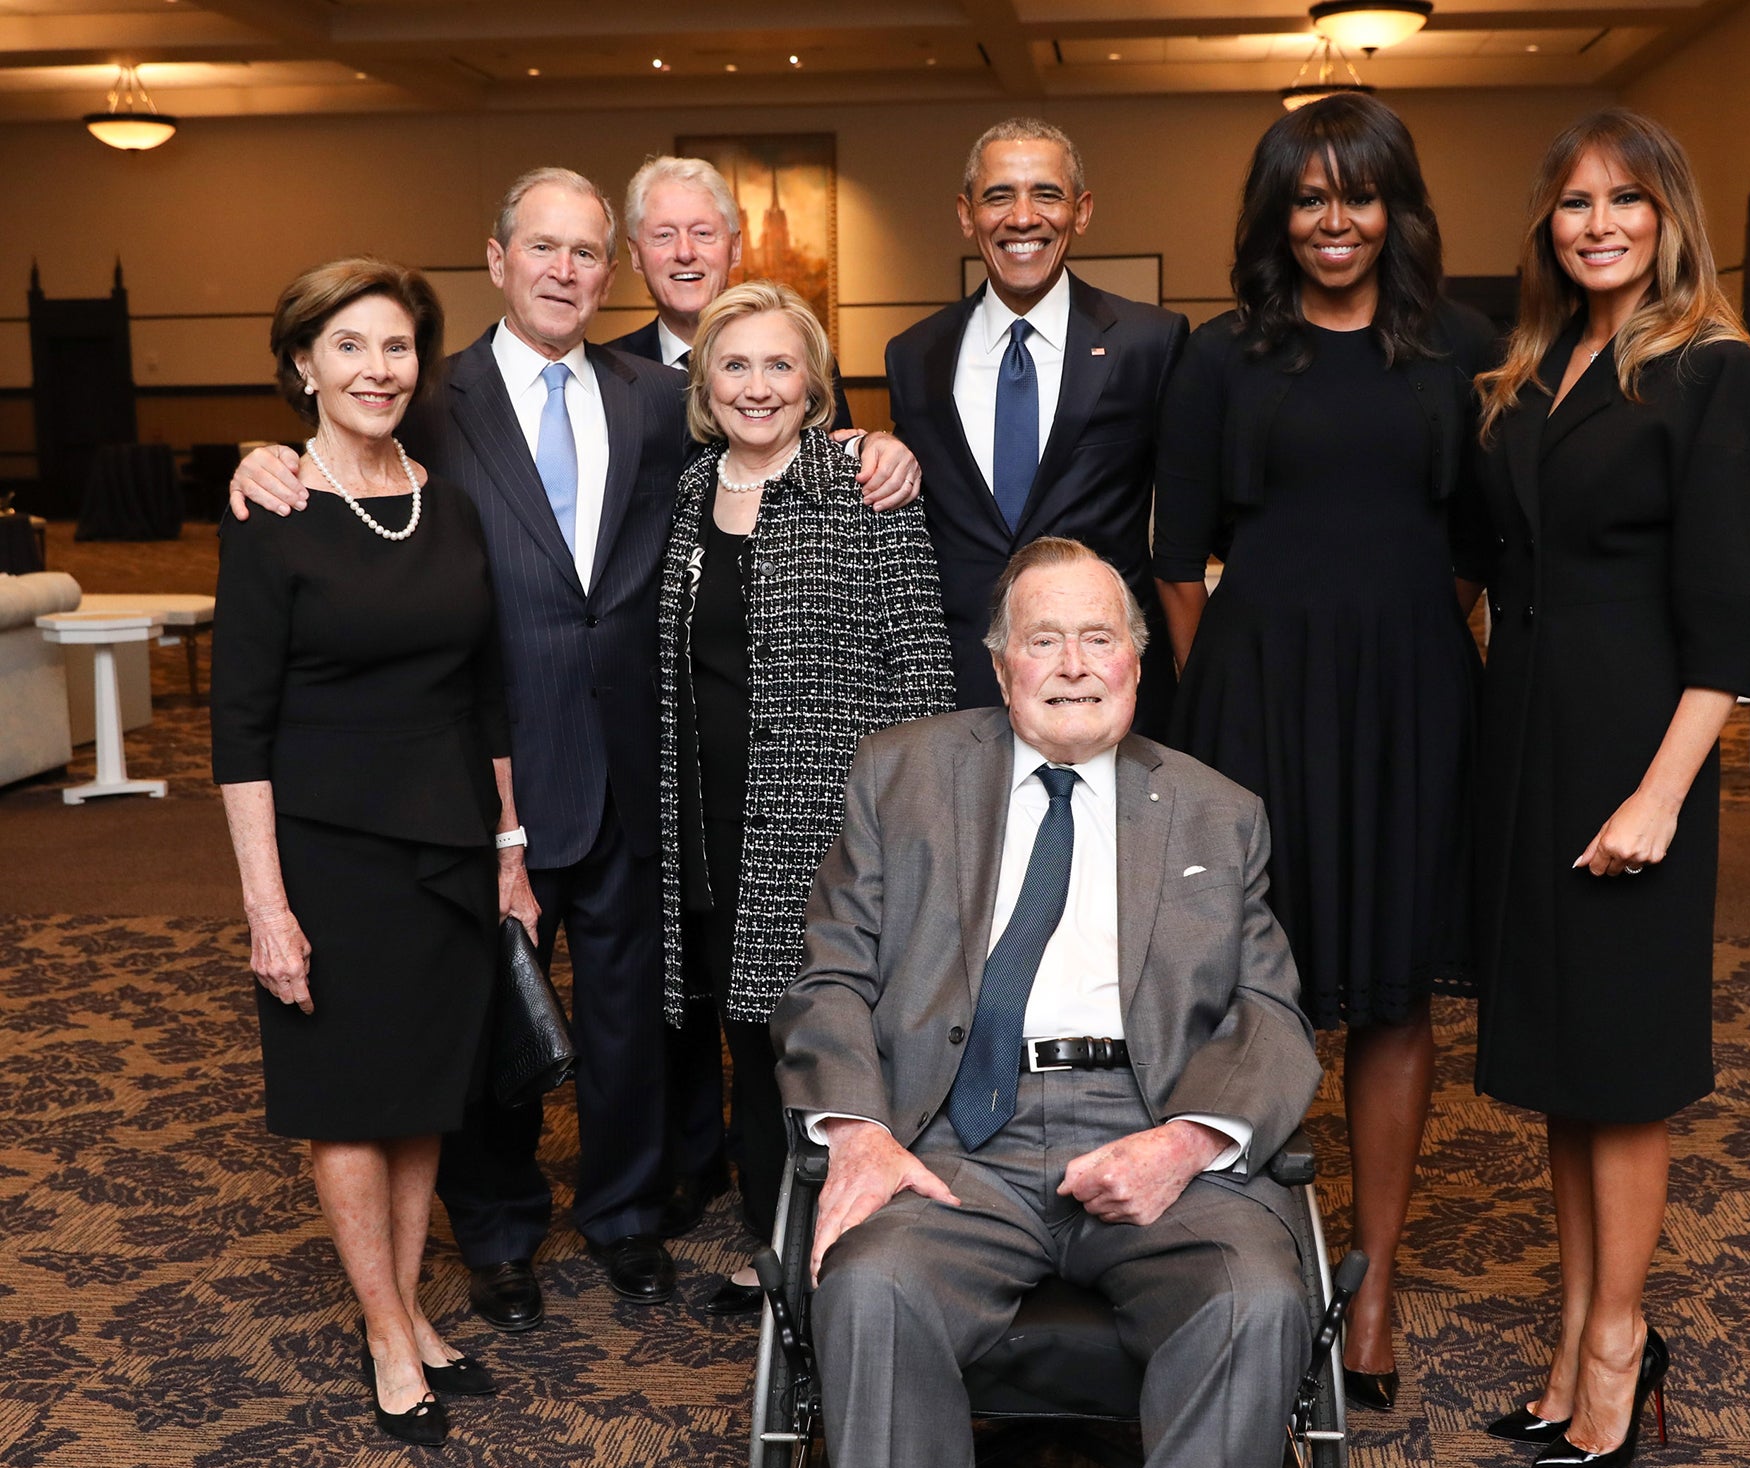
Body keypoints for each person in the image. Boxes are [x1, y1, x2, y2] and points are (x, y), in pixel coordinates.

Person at [225, 166, 916, 1330]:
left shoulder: (659, 394)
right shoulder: (428, 395)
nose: (562, 271)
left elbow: (761, 451)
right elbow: (338, 436)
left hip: (642, 760)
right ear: (494, 260)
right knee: (484, 1008)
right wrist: (264, 453)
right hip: (474, 768)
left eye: (586, 253)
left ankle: (626, 1214)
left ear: (614, 272)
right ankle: (495, 1233)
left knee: (630, 1011)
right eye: (539, 248)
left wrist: (871, 445)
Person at [772, 538, 1325, 1468]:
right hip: (953, 1140)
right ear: (1000, 667)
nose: (1073, 664)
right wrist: (855, 1132)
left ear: (1134, 660)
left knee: (1255, 1300)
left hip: (1152, 1131)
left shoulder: (1216, 811)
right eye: (1044, 641)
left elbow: (1270, 1014)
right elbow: (831, 979)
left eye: (1097, 639)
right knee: (870, 1290)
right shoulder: (900, 776)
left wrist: (1189, 1142)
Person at [1466, 109, 1750, 1468]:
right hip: (1530, 743)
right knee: (1561, 1067)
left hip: (1634, 749)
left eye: (1626, 200)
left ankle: (1620, 1343)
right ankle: (1573, 1338)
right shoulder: (1538, 368)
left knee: (1624, 1071)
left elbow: (1736, 613)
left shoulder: (1713, 373)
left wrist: (1664, 792)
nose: (1597, 223)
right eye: (1573, 203)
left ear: (1671, 217)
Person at [1152, 92, 1494, 1415]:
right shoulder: (1226, 353)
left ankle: (1378, 1283)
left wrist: (1403, 654)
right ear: (1275, 213)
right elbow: (1178, 557)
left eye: (1359, 196)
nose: (1334, 222)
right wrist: (1228, 701)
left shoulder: (1461, 346)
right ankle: (1255, 1269)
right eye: (1309, 197)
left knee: (1396, 997)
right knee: (1254, 994)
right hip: (1254, 703)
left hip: (1413, 697)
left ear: (1397, 208)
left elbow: (1477, 548)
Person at [213, 257, 536, 1446]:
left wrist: (507, 847)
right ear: (303, 363)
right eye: (348, 346)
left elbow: (485, 694)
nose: (376, 369)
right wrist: (265, 905)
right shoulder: (271, 508)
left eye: (395, 348)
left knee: (421, 1097)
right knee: (350, 1101)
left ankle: (405, 1306)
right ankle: (387, 1331)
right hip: (329, 851)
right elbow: (237, 727)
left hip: (447, 839)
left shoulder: (441, 503)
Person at [657, 281, 953, 1313]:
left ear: (815, 382)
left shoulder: (860, 484)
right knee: (743, 1033)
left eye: (779, 364)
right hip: (710, 815)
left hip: (832, 823)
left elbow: (921, 671)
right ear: (704, 384)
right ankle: (771, 1237)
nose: (756, 386)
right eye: (733, 365)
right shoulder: (689, 493)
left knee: (827, 1034)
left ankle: (849, 1238)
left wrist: (915, 836)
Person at [885, 118, 1187, 734]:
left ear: (1081, 211)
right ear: (967, 216)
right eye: (999, 196)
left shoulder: (1149, 342)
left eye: (1046, 194)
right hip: (955, 683)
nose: (1023, 217)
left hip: (1102, 682)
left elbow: (1186, 521)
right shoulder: (913, 354)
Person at [611, 155, 860, 432]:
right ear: (635, 254)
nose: (684, 252)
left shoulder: (803, 360)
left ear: (736, 247)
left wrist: (874, 444)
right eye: (664, 235)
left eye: (702, 233)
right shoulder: (608, 371)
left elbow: (840, 457)